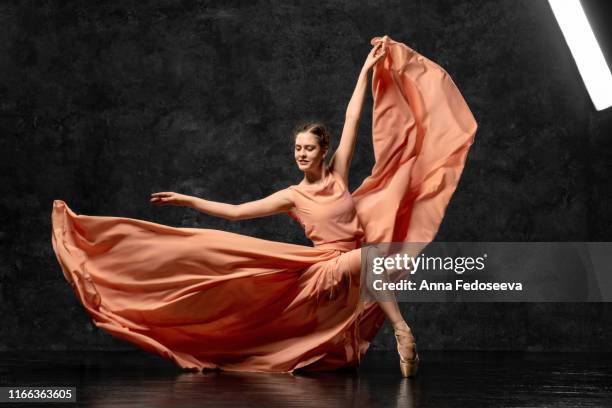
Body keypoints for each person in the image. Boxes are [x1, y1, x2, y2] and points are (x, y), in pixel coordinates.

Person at [51, 35, 478, 377]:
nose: (302, 155)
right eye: (297, 149)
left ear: (323, 150)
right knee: (371, 260)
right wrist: (188, 199)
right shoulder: (292, 196)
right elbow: (236, 213)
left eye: (309, 149)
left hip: (351, 267)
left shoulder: (339, 175)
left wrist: (366, 71)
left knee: (365, 282)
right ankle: (403, 332)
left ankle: (387, 344)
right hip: (326, 270)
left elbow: (352, 119)